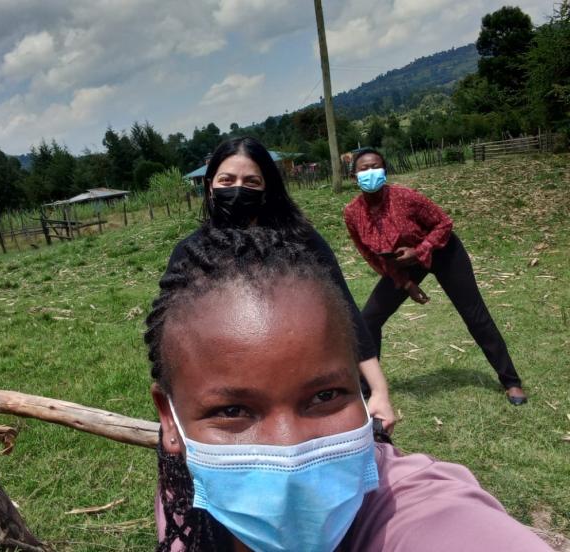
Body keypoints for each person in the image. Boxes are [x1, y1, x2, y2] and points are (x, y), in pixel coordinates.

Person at [146, 226, 550, 551]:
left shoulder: (415, 512)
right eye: (233, 410)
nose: (290, 452)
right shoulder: (182, 503)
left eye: (325, 396)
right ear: (170, 418)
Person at [166, 137, 396, 432]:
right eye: (227, 180)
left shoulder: (301, 241)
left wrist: (378, 390)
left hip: (308, 388)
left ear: (266, 189)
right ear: (210, 185)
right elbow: (175, 344)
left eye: (251, 181)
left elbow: (345, 313)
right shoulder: (190, 254)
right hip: (233, 402)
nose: (238, 189)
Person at [343, 148, 527, 405]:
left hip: (443, 251)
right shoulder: (353, 213)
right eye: (364, 169)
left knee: (474, 315)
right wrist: (406, 283)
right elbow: (370, 254)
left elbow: (444, 223)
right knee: (369, 319)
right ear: (353, 177)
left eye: (376, 166)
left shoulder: (405, 197)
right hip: (404, 265)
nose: (370, 172)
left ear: (385, 171)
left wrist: (420, 251)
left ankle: (511, 381)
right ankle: (367, 389)